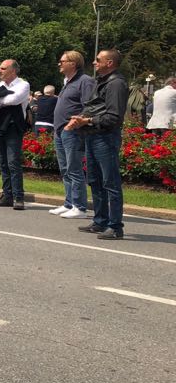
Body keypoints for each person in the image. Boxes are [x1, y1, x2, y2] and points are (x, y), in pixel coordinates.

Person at [66, 49, 130, 240]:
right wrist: (83, 119)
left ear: (109, 63)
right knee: (95, 180)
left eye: (98, 60)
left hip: (106, 137)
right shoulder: (102, 82)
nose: (94, 63)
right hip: (94, 136)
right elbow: (94, 107)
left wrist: (88, 121)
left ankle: (115, 226)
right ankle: (100, 221)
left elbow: (114, 117)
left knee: (110, 182)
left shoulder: (116, 83)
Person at [50, 50, 96, 220]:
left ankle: (80, 207)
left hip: (74, 131)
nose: (59, 64)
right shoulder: (68, 82)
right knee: (65, 169)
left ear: (73, 63)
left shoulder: (85, 81)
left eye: (63, 61)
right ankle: (69, 203)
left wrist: (75, 122)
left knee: (74, 168)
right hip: (61, 131)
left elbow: (89, 106)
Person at [0, 59, 30, 210]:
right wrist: (1, 98)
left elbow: (14, 99)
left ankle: (19, 197)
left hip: (13, 127)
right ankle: (7, 195)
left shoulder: (23, 84)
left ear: (13, 70)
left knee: (13, 163)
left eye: (3, 68)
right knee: (3, 162)